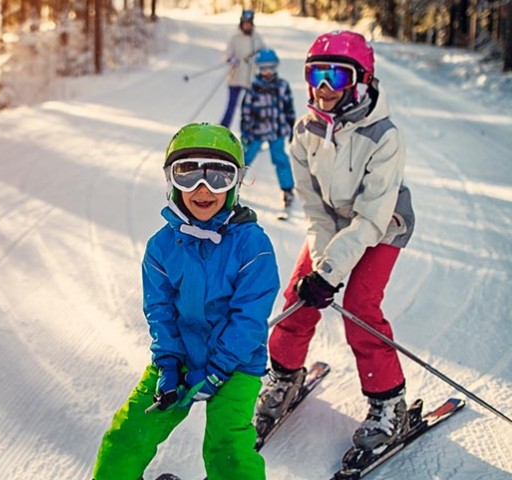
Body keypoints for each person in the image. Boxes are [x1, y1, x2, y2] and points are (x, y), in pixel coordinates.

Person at [92, 123, 280, 480]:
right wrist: (167, 364)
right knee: (128, 434)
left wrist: (219, 368)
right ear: (172, 182)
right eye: (188, 173)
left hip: (236, 363)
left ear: (236, 183)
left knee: (228, 447)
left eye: (219, 176)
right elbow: (160, 312)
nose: (203, 188)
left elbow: (250, 318)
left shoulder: (252, 246)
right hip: (179, 359)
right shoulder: (161, 248)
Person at [258, 31, 416, 452]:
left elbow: (369, 218)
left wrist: (331, 274)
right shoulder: (304, 131)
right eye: (316, 75)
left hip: (381, 226)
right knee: (298, 296)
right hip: (331, 222)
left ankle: (389, 402)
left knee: (360, 306)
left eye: (336, 76)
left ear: (361, 81)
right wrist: (321, 270)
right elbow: (313, 209)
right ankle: (284, 377)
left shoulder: (384, 135)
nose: (324, 88)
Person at [240, 48, 297, 209]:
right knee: (245, 157)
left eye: (271, 68)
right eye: (263, 68)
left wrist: (292, 126)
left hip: (276, 130)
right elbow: (246, 110)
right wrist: (245, 131)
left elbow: (288, 107)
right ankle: (231, 186)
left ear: (276, 67)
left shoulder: (282, 86)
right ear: (258, 68)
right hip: (256, 131)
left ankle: (287, 189)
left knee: (280, 158)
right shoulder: (254, 87)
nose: (267, 72)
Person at [220, 9, 265, 128]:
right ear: (241, 23)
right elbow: (225, 55)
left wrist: (257, 58)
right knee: (231, 106)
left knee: (249, 108)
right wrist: (231, 59)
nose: (246, 25)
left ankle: (248, 133)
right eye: (244, 23)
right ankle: (223, 129)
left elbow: (264, 54)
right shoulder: (234, 38)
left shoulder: (257, 38)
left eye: (249, 23)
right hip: (235, 77)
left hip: (250, 79)